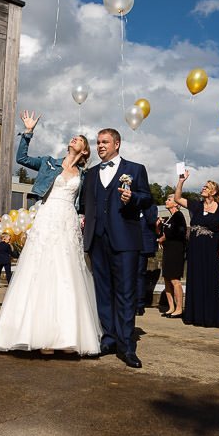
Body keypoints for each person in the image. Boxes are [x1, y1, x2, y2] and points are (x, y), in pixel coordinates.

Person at [0, 122, 101, 355]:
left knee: (66, 271)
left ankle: (66, 335)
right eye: (73, 137)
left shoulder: (84, 174)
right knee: (39, 268)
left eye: (79, 139)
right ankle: (32, 332)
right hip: (47, 215)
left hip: (67, 220)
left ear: (85, 150)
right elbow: (22, 158)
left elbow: (87, 201)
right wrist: (28, 133)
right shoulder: (49, 162)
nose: (74, 139)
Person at [81, 128, 152, 368]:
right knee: (103, 293)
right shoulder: (90, 174)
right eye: (98, 142)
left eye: (105, 142)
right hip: (97, 240)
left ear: (117, 144)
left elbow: (147, 198)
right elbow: (85, 204)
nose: (100, 146)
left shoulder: (135, 169)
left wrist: (132, 198)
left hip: (124, 240)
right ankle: (108, 339)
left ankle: (126, 346)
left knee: (125, 294)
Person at [174, 171, 219, 328]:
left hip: (211, 248)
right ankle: (194, 315)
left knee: (209, 280)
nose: (203, 188)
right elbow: (177, 198)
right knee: (195, 279)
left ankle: (209, 317)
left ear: (214, 191)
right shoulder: (196, 205)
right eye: (203, 186)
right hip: (195, 247)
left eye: (206, 187)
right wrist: (181, 181)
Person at [157, 194, 186, 318]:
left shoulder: (179, 216)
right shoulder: (170, 217)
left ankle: (179, 308)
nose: (166, 201)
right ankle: (171, 307)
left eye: (169, 200)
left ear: (176, 204)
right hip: (168, 250)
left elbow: (180, 232)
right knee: (167, 278)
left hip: (176, 250)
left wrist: (165, 237)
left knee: (174, 279)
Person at [136, 203, 159, 315]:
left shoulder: (150, 206)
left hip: (143, 245)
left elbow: (151, 220)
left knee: (139, 274)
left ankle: (139, 304)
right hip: (128, 242)